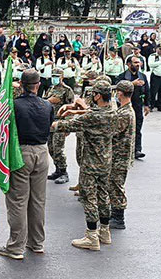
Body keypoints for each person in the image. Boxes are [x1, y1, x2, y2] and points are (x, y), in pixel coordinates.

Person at [0, 69, 53, 260]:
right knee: (38, 200)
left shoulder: (14, 105)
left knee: (18, 200)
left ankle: (16, 246)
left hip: (21, 153)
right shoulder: (47, 105)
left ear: (20, 84)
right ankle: (36, 243)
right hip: (42, 152)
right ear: (38, 85)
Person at [52, 81, 116, 251]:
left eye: (93, 94)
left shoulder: (93, 117)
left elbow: (65, 125)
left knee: (89, 198)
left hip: (91, 163)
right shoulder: (113, 111)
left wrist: (54, 122)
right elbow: (89, 113)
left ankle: (92, 236)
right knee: (103, 195)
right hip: (106, 162)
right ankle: (104, 231)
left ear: (98, 96)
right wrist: (78, 109)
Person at [108, 80, 136, 230]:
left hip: (120, 156)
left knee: (116, 185)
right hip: (120, 155)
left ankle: (119, 218)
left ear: (120, 93)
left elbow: (112, 131)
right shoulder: (124, 110)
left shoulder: (125, 113)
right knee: (114, 184)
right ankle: (115, 213)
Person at [44, 68, 75, 184]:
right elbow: (46, 102)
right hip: (50, 122)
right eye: (53, 76)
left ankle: (63, 172)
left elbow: (71, 107)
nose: (54, 78)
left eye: (56, 76)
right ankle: (57, 169)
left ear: (62, 77)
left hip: (61, 123)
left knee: (58, 148)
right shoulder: (50, 89)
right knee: (51, 148)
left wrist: (68, 126)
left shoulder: (67, 90)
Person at [117, 56, 150, 159]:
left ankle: (137, 149)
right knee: (123, 129)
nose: (137, 64)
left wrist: (147, 105)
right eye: (135, 62)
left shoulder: (142, 76)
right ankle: (123, 150)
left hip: (138, 105)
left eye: (138, 63)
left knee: (138, 127)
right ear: (128, 64)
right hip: (124, 106)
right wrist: (132, 84)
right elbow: (117, 88)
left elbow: (147, 91)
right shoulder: (122, 76)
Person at [148, 43, 161, 111]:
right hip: (155, 76)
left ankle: (160, 106)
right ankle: (151, 105)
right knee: (153, 92)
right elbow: (150, 64)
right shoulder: (153, 56)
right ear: (156, 49)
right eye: (160, 49)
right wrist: (160, 62)